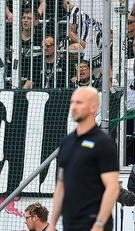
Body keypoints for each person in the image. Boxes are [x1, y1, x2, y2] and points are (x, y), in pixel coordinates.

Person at [49, 87, 120, 231]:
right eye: (72, 102)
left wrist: (99, 224)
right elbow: (61, 186)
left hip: (93, 223)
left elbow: (112, 187)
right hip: (70, 223)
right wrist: (52, 224)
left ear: (94, 107)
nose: (74, 107)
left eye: (79, 103)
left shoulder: (103, 143)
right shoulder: (67, 142)